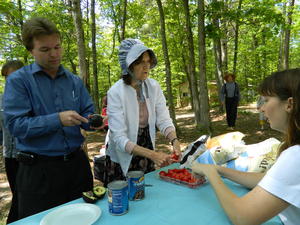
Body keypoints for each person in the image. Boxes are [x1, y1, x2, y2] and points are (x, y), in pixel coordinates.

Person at [3, 17, 97, 220]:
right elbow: (15, 126)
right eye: (45, 50)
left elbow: (88, 113)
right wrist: (57, 119)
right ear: (31, 51)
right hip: (39, 172)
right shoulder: (19, 81)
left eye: (57, 47)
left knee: (86, 218)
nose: (54, 54)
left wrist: (95, 122)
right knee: (41, 222)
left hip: (77, 168)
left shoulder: (74, 81)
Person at [192, 68, 300, 225]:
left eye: (267, 100)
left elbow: (242, 217)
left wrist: (210, 173)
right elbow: (267, 180)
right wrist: (219, 169)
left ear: (289, 104)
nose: (261, 108)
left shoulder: (295, 156)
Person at [104, 38, 181, 186]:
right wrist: (153, 155)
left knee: (147, 193)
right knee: (123, 196)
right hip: (122, 155)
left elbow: (163, 119)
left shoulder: (153, 87)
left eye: (148, 62)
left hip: (146, 150)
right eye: (140, 62)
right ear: (129, 66)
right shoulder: (115, 92)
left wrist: (175, 141)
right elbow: (119, 138)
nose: (146, 67)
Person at [0, 60, 24, 223]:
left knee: (26, 198)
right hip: (10, 156)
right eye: (6, 78)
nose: (10, 81)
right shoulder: (1, 100)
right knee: (17, 195)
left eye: (13, 76)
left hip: (30, 157)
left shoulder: (32, 97)